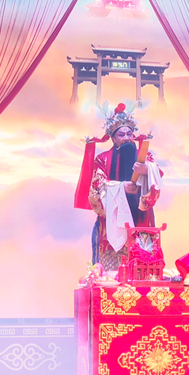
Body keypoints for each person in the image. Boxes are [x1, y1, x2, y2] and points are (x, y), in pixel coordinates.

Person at [74, 102, 163, 271]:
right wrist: (121, 188)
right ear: (113, 138)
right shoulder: (102, 159)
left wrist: (147, 170)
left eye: (130, 133)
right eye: (121, 134)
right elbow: (97, 187)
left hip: (141, 219)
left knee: (143, 269)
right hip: (112, 222)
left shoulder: (145, 158)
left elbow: (157, 180)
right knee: (112, 274)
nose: (127, 138)